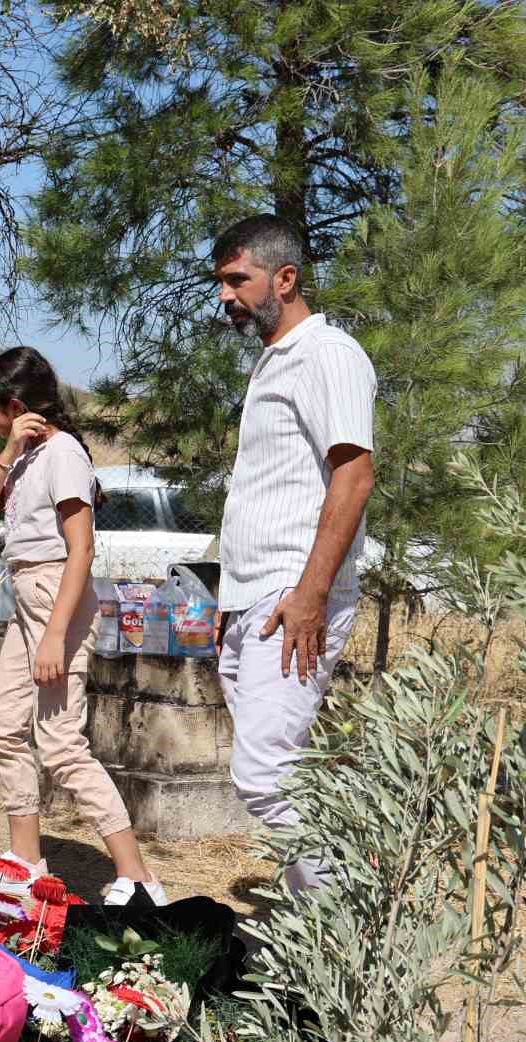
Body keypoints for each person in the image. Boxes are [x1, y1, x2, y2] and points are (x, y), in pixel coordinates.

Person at [0, 347, 164, 906]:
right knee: (1, 726)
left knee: (59, 743)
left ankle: (139, 877)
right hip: (28, 597)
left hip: (57, 595)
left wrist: (55, 634)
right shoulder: (25, 455)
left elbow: (81, 550)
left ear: (17, 403)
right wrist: (7, 450)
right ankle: (25, 863)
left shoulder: (65, 454)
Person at [210, 215, 375, 895]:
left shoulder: (326, 353)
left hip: (293, 595)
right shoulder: (276, 359)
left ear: (285, 278)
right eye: (220, 282)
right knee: (283, 772)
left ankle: (344, 923)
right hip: (252, 598)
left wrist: (309, 595)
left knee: (264, 773)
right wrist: (229, 607)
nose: (225, 296)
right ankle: (327, 916)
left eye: (236, 279)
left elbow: (354, 474)